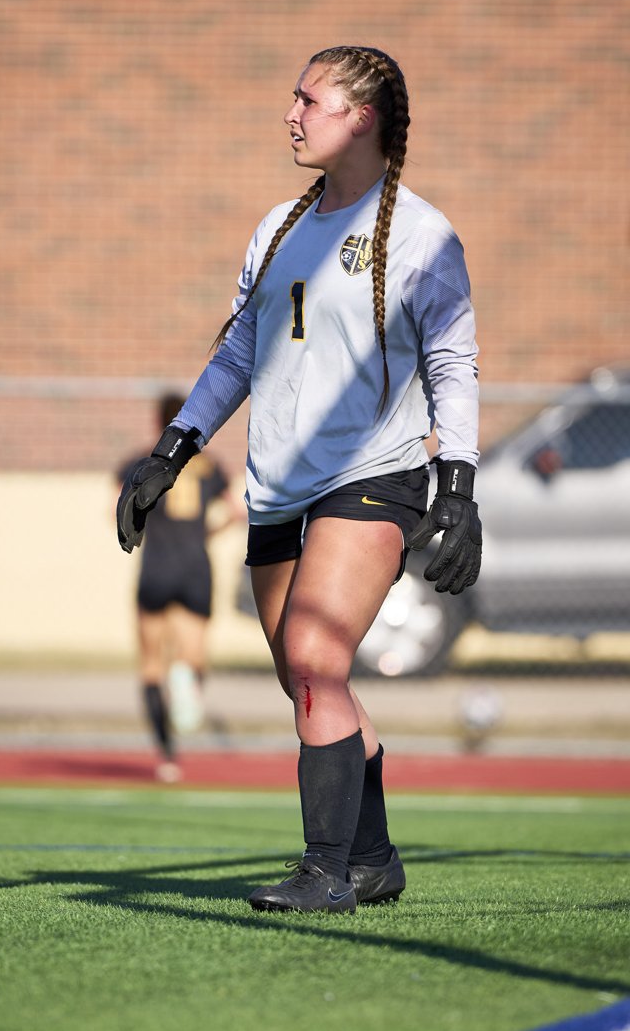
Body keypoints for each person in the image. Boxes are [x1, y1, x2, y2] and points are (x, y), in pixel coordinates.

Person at [117, 45, 481, 909]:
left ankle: (324, 872)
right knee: (305, 676)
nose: (291, 113)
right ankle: (373, 856)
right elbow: (239, 351)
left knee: (316, 655)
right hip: (276, 486)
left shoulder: (425, 235)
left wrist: (459, 486)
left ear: (359, 117)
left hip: (375, 478)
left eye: (308, 99)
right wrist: (172, 450)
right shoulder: (276, 227)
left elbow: (453, 363)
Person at [117, 393, 236, 782]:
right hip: (195, 566)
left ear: (158, 423)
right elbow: (236, 510)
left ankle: (167, 757)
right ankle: (187, 679)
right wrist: (206, 533)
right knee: (194, 655)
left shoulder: (141, 465)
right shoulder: (211, 468)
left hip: (156, 567)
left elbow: (116, 510)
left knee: (151, 666)